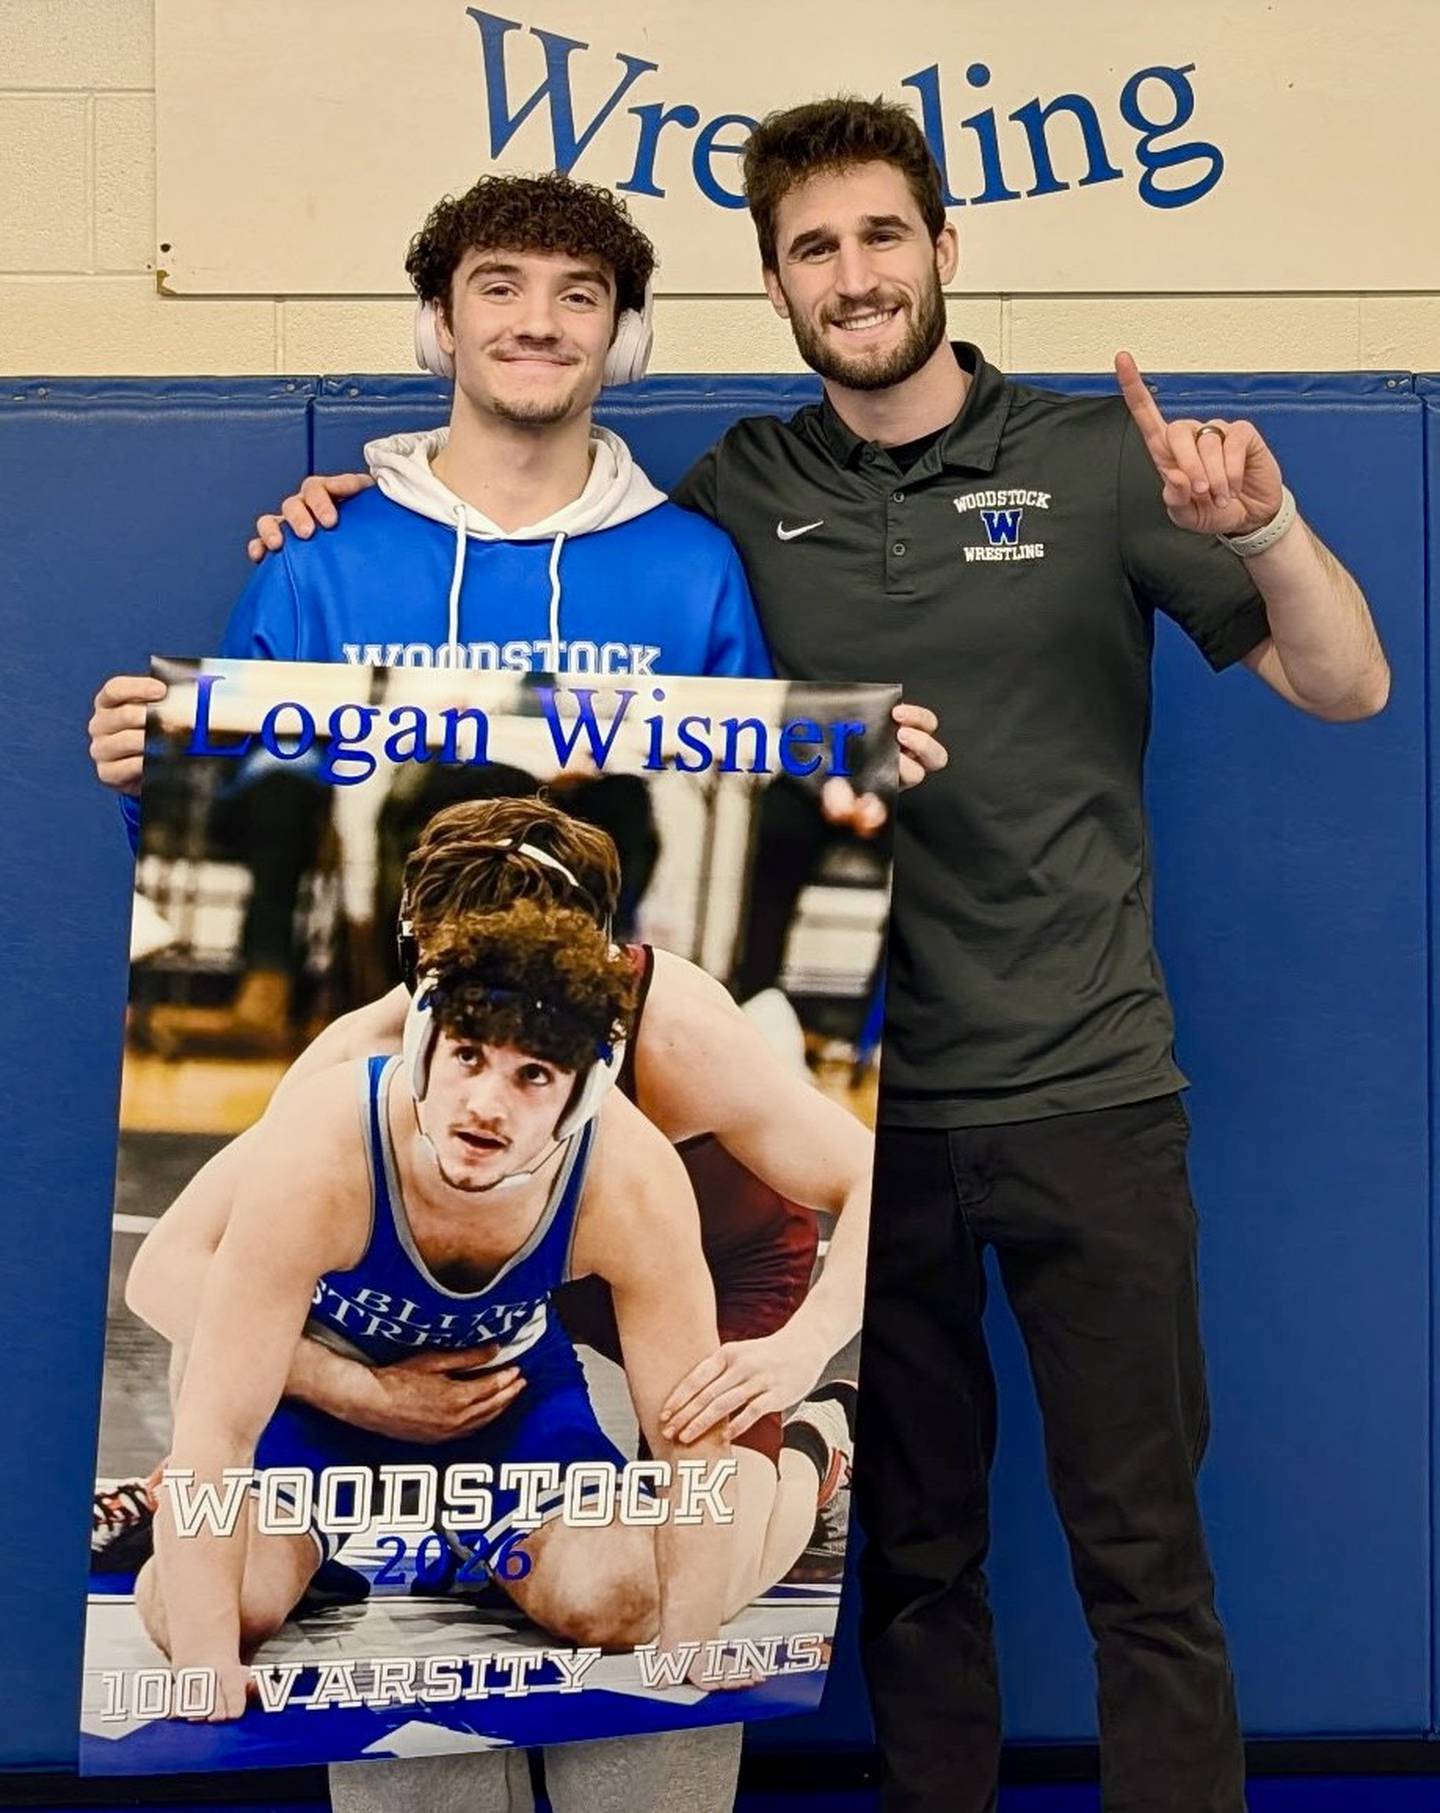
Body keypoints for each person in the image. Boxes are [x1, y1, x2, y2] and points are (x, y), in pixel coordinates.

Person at [260, 102, 1390, 1813]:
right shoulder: (734, 498)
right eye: (813, 250)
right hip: (882, 1096)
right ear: (777, 286)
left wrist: (1261, 528)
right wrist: (352, 511)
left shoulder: (1100, 460)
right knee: (918, 1559)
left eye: (882, 237)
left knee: (1145, 1553)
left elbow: (1349, 681)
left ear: (945, 247)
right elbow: (531, 524)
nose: (853, 276)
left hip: (1085, 1088)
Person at [86, 169, 944, 1813]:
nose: (534, 320)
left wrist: (861, 782)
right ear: (441, 321)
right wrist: (146, 759)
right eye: (499, 287)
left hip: (671, 1194)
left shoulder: (687, 574)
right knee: (253, 1574)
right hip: (430, 1280)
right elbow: (204, 814)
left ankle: (792, 1469)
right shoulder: (324, 567)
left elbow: (773, 789)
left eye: (572, 294)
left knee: (656, 1582)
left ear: (620, 335)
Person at [124, 794, 871, 1613]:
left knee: (698, 1576)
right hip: (521, 1293)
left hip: (704, 1265)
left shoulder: (673, 1033)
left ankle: (814, 1450)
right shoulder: (364, 1060)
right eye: (465, 994)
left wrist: (804, 1346)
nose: (499, 1022)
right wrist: (265, 1423)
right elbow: (182, 1272)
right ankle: (472, 1525)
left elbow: (869, 1176)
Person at [138, 894, 750, 1720]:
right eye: (468, 1057)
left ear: (585, 1092)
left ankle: (800, 1457)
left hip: (501, 1397)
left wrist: (693, 1635)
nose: (487, 1106)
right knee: (203, 1613)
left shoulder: (629, 1180)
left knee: (620, 1601)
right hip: (321, 1390)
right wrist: (208, 1659)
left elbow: (690, 1430)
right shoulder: (324, 1146)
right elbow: (216, 1419)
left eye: (534, 1075)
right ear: (424, 1045)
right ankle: (309, 1555)